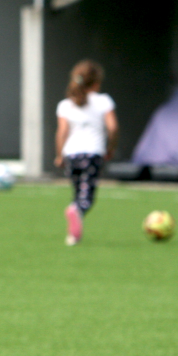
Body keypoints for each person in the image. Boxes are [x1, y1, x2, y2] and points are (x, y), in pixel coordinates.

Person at [54, 60, 118, 246]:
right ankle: (76, 212)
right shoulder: (103, 101)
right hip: (92, 154)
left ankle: (73, 235)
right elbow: (112, 128)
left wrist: (59, 155)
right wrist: (111, 148)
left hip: (71, 154)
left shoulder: (65, 105)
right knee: (86, 197)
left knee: (77, 194)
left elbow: (62, 132)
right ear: (96, 83)